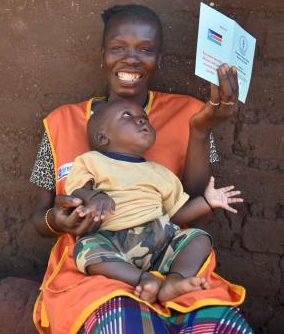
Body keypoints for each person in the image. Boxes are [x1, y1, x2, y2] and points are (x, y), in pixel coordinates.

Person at [31, 4, 251, 333]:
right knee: (125, 324)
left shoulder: (191, 114)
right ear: (102, 55)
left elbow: (193, 207)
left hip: (163, 254)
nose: (131, 59)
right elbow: (39, 218)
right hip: (94, 270)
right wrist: (56, 220)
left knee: (220, 325)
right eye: (118, 48)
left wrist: (201, 130)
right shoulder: (60, 122)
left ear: (159, 60)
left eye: (145, 50)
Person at [67, 99, 244, 305]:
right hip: (110, 239)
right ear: (102, 137)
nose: (141, 120)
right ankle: (142, 279)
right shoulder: (91, 160)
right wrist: (95, 197)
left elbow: (177, 213)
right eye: (128, 116)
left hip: (159, 238)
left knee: (198, 238)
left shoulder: (161, 172)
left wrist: (206, 201)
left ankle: (174, 281)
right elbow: (77, 189)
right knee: (85, 249)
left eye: (145, 118)